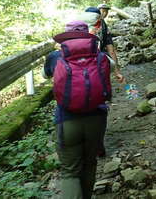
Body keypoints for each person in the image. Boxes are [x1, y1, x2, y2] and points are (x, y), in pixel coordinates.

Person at [43, 20, 111, 199]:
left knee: (70, 171)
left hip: (67, 120)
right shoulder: (100, 56)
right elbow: (108, 72)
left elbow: (45, 75)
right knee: (89, 163)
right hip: (97, 117)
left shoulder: (55, 57)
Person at [84, 5, 125, 84]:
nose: (105, 13)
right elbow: (111, 51)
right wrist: (117, 72)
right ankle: (133, 95)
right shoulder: (103, 26)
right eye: (103, 11)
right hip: (98, 62)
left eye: (106, 11)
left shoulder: (76, 27)